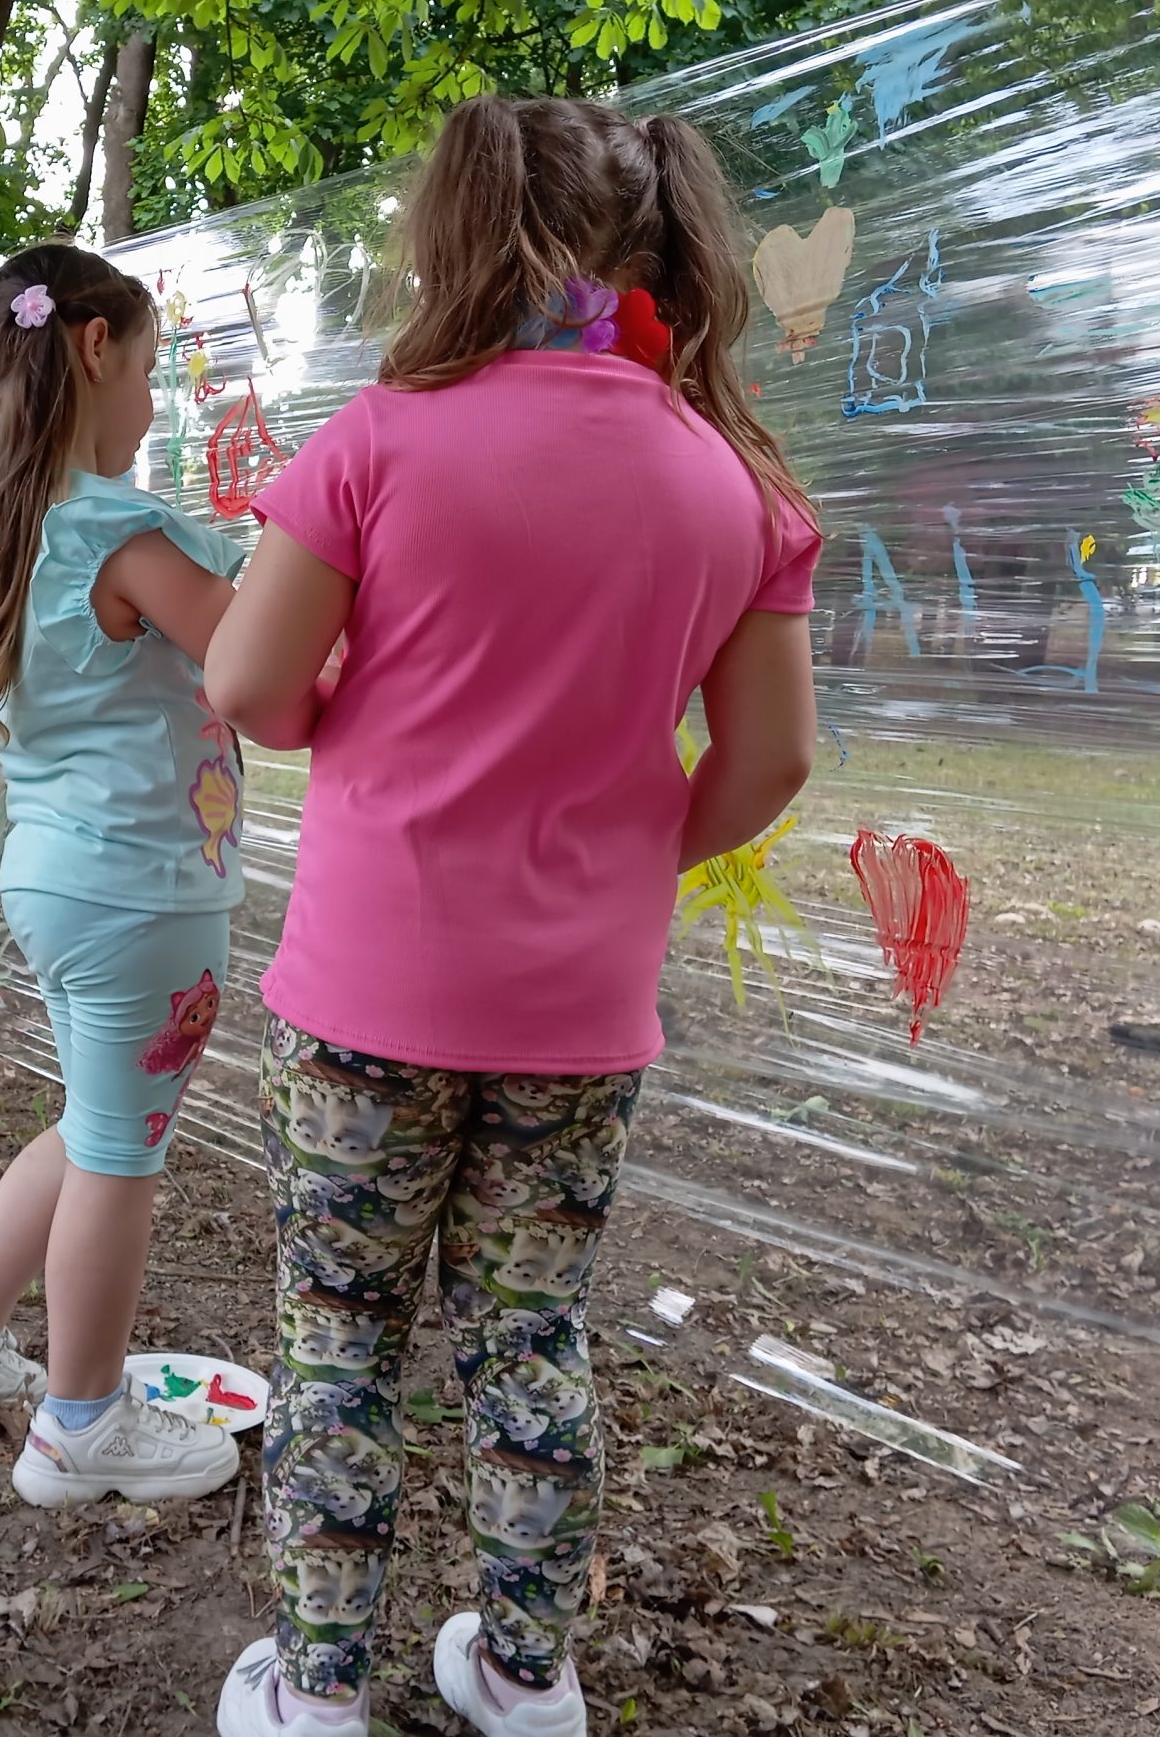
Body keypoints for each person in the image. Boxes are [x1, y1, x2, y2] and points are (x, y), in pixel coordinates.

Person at [205, 96, 823, 1736]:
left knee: (341, 1336)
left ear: (467, 232)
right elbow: (772, 759)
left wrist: (342, 704)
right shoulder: (734, 481)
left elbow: (250, 685)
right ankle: (526, 1676)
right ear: (669, 247)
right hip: (581, 1012)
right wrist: (628, 858)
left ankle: (317, 1692)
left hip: (364, 997)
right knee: (530, 1337)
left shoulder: (380, 440)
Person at [0, 243, 246, 1508]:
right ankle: (83, 1422)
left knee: (93, 1128)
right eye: (147, 369)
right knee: (122, 1157)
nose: (152, 402)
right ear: (93, 347)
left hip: (59, 877)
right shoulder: (123, 534)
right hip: (143, 889)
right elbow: (270, 665)